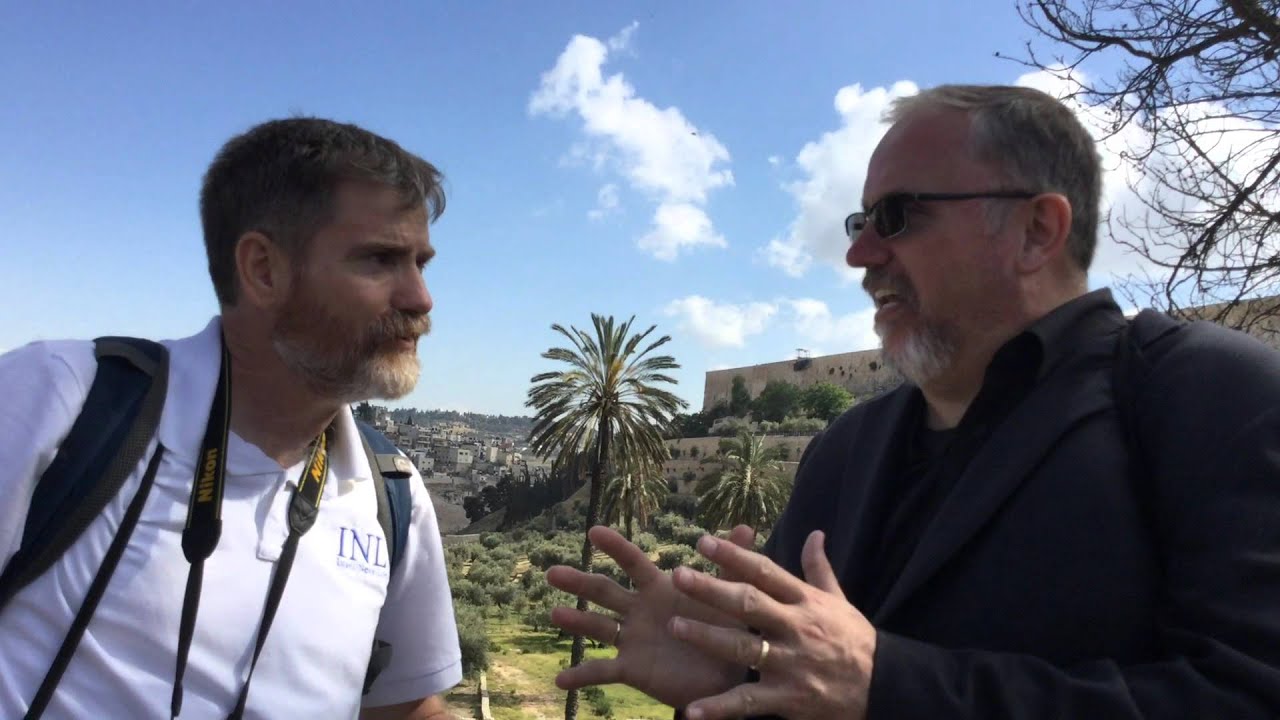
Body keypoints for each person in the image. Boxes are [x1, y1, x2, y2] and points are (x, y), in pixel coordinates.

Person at [545, 84, 1280, 719]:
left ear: (1037, 230)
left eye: (897, 216)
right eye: (858, 223)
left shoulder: (1213, 399)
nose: (861, 256)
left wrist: (891, 688)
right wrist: (735, 675)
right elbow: (801, 683)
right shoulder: (846, 449)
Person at [0, 118, 462, 718]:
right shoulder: (63, 400)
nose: (420, 298)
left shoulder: (392, 490)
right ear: (263, 269)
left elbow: (404, 709)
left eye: (421, 263)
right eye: (380, 259)